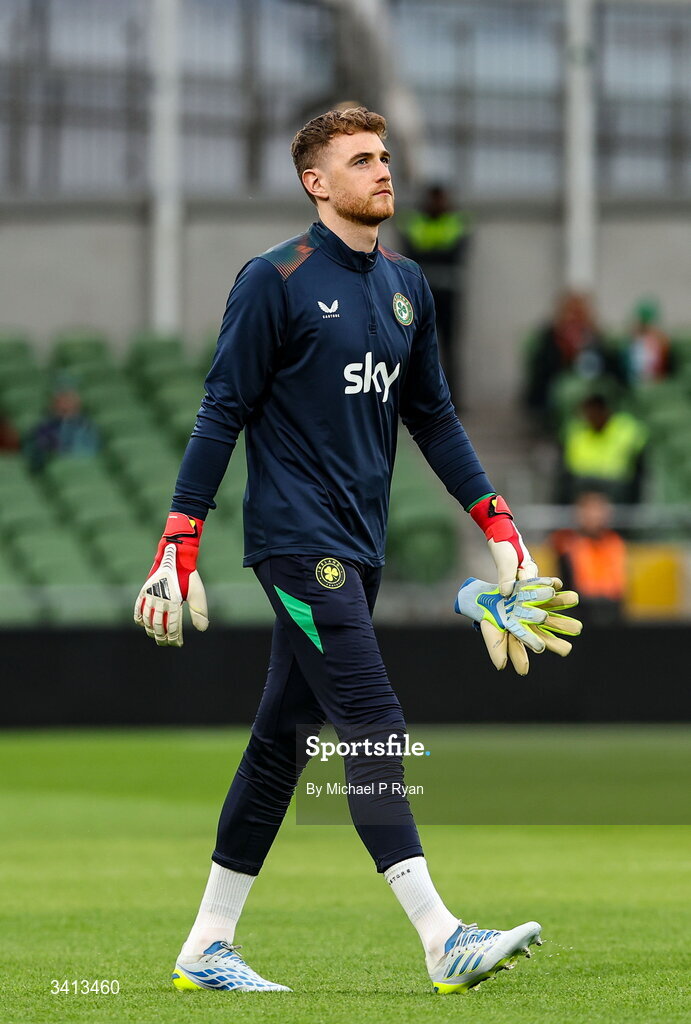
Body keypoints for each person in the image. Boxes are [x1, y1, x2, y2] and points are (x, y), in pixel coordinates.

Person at [135, 107, 551, 996]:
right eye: (360, 160)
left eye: (384, 157)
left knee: (282, 742)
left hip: (358, 548)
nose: (382, 171)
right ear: (315, 183)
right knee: (372, 717)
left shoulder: (406, 283)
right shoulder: (273, 280)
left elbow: (432, 415)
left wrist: (497, 522)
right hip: (297, 546)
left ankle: (207, 944)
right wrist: (180, 536)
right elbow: (221, 410)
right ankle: (442, 937)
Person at [397, 185, 472, 405]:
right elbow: (411, 254)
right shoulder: (412, 221)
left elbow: (454, 253)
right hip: (419, 294)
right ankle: (413, 398)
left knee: (449, 348)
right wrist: (438, 251)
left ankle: (452, 399)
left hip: (447, 294)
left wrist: (428, 252)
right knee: (414, 346)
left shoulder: (457, 222)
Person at [525, 291, 619, 427]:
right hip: (558, 395)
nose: (575, 320)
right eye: (571, 314)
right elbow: (541, 379)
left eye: (579, 314)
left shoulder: (596, 338)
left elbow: (610, 369)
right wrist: (563, 351)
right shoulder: (549, 339)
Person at [557, 392, 648, 505]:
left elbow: (632, 464)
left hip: (618, 489)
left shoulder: (627, 428)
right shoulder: (576, 431)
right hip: (585, 488)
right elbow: (573, 468)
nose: (591, 417)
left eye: (595, 412)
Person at [550, 491, 626, 626]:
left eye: (598, 511)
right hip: (579, 611)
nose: (594, 516)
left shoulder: (614, 542)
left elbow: (617, 585)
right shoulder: (567, 543)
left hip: (610, 610)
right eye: (589, 511)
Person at [24, 381, 99, 471]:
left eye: (68, 400)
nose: (65, 404)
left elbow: (89, 451)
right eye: (61, 400)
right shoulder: (42, 427)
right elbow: (34, 452)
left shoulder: (87, 426)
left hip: (80, 468)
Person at [621, 298, 671, 386]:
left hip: (654, 381)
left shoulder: (660, 340)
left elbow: (662, 365)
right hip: (634, 381)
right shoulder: (632, 339)